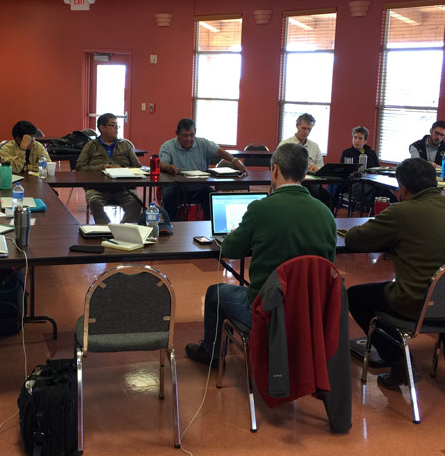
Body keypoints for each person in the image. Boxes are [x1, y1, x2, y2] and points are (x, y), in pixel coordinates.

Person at [185, 143, 337, 365]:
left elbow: (229, 250)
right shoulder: (326, 214)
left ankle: (212, 354)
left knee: (215, 293)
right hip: (308, 313)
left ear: (274, 169)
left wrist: (240, 235)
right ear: (305, 173)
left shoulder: (261, 209)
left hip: (267, 311)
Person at [346, 158, 445, 391]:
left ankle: (398, 362)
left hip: (416, 302)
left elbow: (355, 239)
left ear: (403, 189)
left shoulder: (402, 212)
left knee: (355, 296)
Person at [158, 118, 247, 219]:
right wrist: (168, 167)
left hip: (199, 187)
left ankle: (211, 228)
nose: (188, 138)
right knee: (168, 197)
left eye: (192, 135)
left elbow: (219, 151)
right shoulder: (167, 146)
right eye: (185, 135)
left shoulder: (203, 144)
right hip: (176, 187)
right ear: (177, 134)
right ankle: (172, 228)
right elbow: (161, 163)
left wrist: (234, 160)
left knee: (213, 198)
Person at [75, 113, 144, 224]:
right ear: (102, 128)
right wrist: (102, 167)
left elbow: (137, 167)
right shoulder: (90, 146)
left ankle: (123, 230)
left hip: (123, 188)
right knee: (94, 202)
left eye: (117, 125)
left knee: (136, 203)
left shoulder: (125, 145)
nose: (116, 129)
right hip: (97, 188)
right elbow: (80, 168)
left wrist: (121, 168)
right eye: (113, 125)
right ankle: (106, 229)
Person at [339, 125, 380, 208]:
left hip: (371, 182)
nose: (357, 140)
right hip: (353, 184)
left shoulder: (371, 153)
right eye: (355, 137)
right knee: (378, 190)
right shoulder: (347, 153)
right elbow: (342, 171)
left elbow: (378, 169)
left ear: (365, 141)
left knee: (389, 193)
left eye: (360, 138)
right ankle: (367, 210)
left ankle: (366, 208)